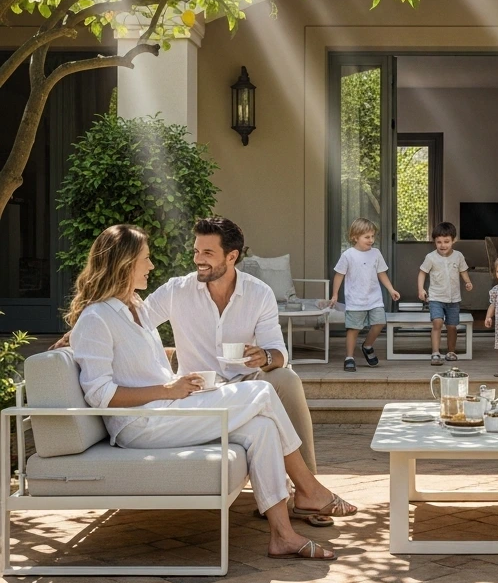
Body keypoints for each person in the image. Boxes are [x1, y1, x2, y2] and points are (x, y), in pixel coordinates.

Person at [67, 224, 352, 561]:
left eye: (207, 252)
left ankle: (283, 536)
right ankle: (309, 489)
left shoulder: (136, 308)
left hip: (173, 408)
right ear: (126, 263)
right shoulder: (99, 317)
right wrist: (168, 389)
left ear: (232, 257)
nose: (152, 265)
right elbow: (99, 395)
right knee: (262, 393)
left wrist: (262, 357)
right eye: (146, 258)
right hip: (141, 423)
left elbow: (133, 357)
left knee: (262, 427)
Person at [329, 218, 399, 373]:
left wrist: (391, 289)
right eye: (367, 237)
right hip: (355, 299)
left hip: (374, 298)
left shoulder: (376, 253)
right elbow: (339, 275)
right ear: (355, 237)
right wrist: (334, 295)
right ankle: (349, 357)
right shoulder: (348, 255)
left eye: (373, 236)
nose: (371, 240)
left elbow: (381, 273)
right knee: (353, 329)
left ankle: (367, 345)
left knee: (379, 322)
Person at [417, 221, 473, 366]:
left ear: (454, 240)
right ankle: (435, 353)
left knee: (452, 326)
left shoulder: (458, 256)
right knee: (437, 322)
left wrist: (467, 282)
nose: (443, 245)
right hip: (436, 297)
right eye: (439, 242)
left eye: (446, 242)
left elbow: (463, 270)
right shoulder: (431, 257)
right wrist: (421, 289)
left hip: (454, 299)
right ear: (434, 242)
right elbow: (422, 273)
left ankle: (451, 352)